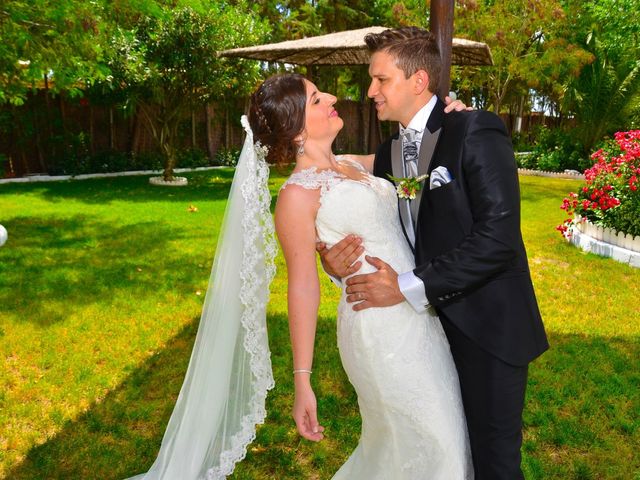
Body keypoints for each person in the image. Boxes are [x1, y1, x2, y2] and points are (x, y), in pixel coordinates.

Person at [319, 27, 549, 479]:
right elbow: (337, 178)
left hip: (488, 328)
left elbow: (498, 240)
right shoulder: (390, 154)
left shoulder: (474, 129)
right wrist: (330, 257)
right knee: (445, 449)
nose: (370, 92)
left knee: (494, 462)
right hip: (426, 338)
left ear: (418, 81)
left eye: (381, 80)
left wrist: (404, 288)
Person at [258, 73, 473, 479]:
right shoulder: (295, 197)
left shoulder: (354, 164)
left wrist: (455, 117)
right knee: (431, 438)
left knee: (442, 435)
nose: (332, 97)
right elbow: (301, 288)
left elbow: (423, 150)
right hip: (377, 329)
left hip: (419, 315)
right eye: (317, 99)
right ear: (296, 127)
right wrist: (302, 382)